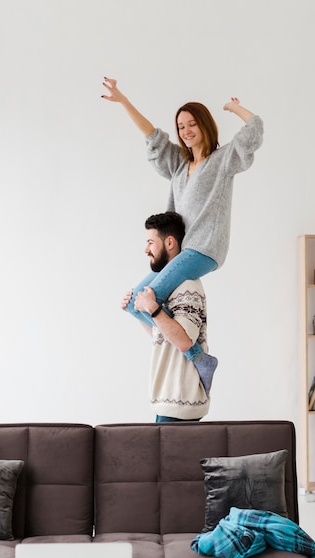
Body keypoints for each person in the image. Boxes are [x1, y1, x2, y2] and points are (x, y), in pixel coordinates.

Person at [102, 77, 264, 394]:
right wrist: (124, 102)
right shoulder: (179, 164)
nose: (186, 131)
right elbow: (152, 136)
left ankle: (195, 356)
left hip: (204, 249)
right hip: (183, 251)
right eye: (181, 127)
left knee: (145, 301)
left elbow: (254, 131)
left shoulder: (223, 160)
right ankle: (193, 355)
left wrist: (234, 108)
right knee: (135, 304)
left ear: (204, 125)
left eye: (191, 124)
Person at [122, 212, 211, 422]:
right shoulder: (173, 288)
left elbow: (184, 341)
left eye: (151, 242)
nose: (146, 249)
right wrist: (137, 311)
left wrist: (152, 308)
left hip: (179, 401)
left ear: (170, 242)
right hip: (169, 400)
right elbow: (164, 337)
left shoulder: (188, 286)